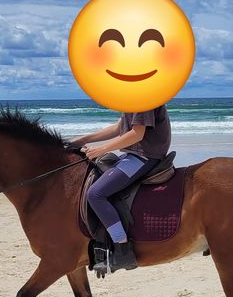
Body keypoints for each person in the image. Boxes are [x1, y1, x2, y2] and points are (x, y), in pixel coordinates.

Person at [70, 105, 171, 274]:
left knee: (95, 194)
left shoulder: (143, 98)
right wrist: (83, 139)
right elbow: (119, 127)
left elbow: (137, 134)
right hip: (133, 155)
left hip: (144, 157)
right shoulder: (132, 98)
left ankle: (123, 250)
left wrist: (101, 149)